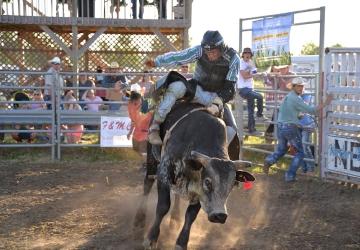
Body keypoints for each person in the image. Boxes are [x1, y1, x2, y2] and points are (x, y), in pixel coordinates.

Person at [145, 30, 240, 145]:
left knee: (231, 130)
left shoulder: (234, 59)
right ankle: (155, 126)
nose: (209, 55)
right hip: (197, 89)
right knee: (176, 87)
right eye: (207, 51)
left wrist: (217, 103)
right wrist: (157, 62)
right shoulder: (200, 50)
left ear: (221, 48)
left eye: (213, 52)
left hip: (217, 97)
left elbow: (230, 87)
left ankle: (220, 156)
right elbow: (179, 57)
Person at [263, 77, 333, 182]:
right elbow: (312, 110)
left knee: (282, 149)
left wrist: (296, 116)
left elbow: (282, 110)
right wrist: (326, 102)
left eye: (302, 86)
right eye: (299, 86)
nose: (301, 88)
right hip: (290, 127)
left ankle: (269, 160)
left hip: (281, 126)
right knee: (300, 152)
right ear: (294, 87)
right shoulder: (296, 99)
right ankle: (290, 175)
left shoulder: (288, 97)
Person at [237, 47, 267, 135]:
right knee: (260, 96)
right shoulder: (240, 62)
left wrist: (261, 74)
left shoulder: (251, 63)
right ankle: (260, 115)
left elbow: (255, 75)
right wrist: (256, 74)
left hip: (249, 88)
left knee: (251, 110)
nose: (247, 54)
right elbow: (245, 76)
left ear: (251, 55)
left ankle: (252, 129)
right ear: (243, 54)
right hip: (242, 88)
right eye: (245, 53)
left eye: (248, 53)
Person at [127, 90, 153, 157]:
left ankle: (145, 164)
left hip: (146, 133)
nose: (137, 104)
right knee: (136, 150)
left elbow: (153, 119)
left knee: (143, 151)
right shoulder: (131, 106)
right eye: (135, 103)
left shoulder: (147, 105)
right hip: (137, 133)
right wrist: (130, 132)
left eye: (138, 102)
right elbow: (133, 121)